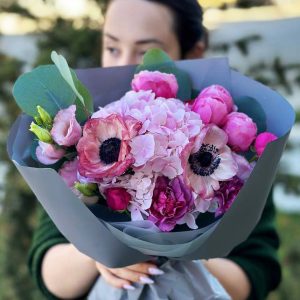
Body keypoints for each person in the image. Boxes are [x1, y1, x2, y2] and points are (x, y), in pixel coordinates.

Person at [28, 0, 282, 299]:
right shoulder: (85, 140)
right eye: (112, 48)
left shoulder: (226, 150)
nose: (124, 63)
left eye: (146, 51)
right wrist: (101, 256)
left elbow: (259, 268)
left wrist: (177, 257)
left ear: (193, 54)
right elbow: (47, 266)